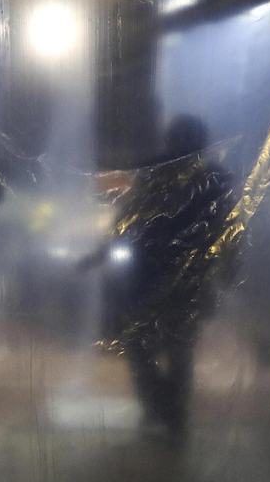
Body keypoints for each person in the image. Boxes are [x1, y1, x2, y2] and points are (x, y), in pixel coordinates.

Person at [83, 115, 238, 437]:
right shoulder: (201, 179)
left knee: (150, 348)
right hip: (174, 280)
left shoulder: (198, 179)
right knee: (167, 350)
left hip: (154, 279)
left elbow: (127, 221)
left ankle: (163, 409)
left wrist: (99, 255)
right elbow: (129, 220)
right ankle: (168, 411)